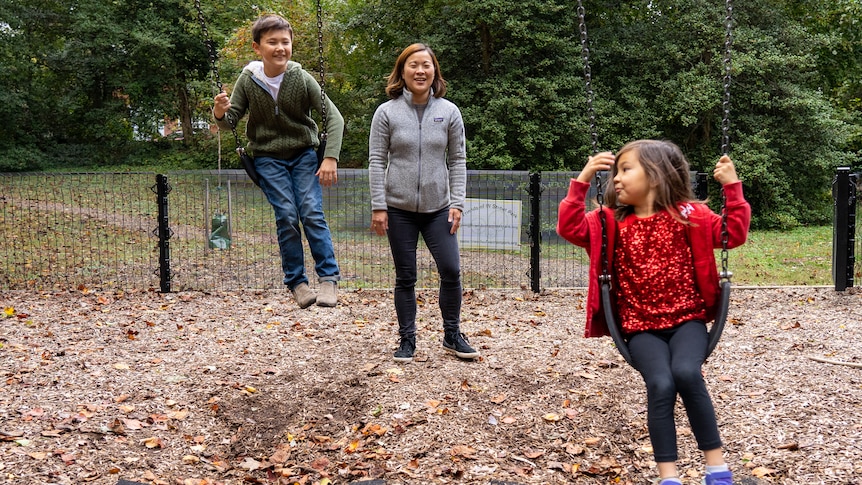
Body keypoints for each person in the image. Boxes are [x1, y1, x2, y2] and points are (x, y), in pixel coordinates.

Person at [556, 140, 751, 485]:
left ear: (657, 176)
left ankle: (717, 470)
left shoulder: (690, 215)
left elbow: (732, 234)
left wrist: (732, 187)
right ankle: (669, 477)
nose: (616, 178)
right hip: (640, 327)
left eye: (626, 169)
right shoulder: (611, 221)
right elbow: (569, 228)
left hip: (687, 320)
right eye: (616, 171)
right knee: (660, 384)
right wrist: (583, 179)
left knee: (687, 373)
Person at [213, 14, 344, 309]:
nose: (280, 48)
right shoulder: (248, 80)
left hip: (303, 155)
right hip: (267, 157)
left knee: (311, 211)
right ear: (257, 47)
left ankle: (328, 279)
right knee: (286, 215)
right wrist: (220, 112)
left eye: (285, 42)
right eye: (272, 42)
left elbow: (334, 118)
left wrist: (330, 158)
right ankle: (297, 283)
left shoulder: (300, 77)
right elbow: (230, 122)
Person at [368, 43, 479, 363]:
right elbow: (376, 161)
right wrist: (379, 205)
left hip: (439, 208)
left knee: (451, 269)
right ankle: (407, 340)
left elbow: (458, 161)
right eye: (413, 65)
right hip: (398, 209)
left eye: (426, 65)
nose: (420, 71)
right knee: (406, 276)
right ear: (402, 72)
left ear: (434, 72)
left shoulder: (449, 112)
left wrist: (457, 202)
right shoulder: (386, 112)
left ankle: (452, 335)